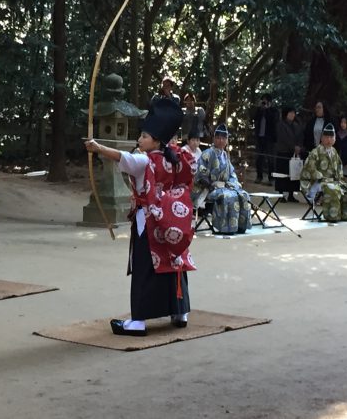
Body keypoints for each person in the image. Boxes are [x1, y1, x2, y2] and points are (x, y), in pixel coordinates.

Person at [84, 98, 196, 336]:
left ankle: (138, 321)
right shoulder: (174, 158)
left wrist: (98, 147)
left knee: (145, 267)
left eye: (144, 136)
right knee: (173, 261)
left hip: (149, 220)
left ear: (156, 140)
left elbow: (122, 158)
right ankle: (180, 312)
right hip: (171, 220)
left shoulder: (145, 160)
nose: (140, 139)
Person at [194, 124, 252, 234]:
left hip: (224, 187)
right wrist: (211, 185)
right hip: (208, 188)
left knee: (243, 194)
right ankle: (225, 228)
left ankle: (240, 226)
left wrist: (232, 184)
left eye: (223, 138)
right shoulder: (207, 154)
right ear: (214, 139)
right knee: (227, 196)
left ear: (226, 140)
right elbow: (200, 174)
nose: (221, 141)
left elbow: (231, 174)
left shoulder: (225, 155)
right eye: (218, 138)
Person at [300, 123, 347, 222]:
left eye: (331, 137)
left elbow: (339, 168)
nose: (329, 140)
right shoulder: (315, 152)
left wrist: (339, 179)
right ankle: (332, 216)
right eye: (326, 137)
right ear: (322, 138)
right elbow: (310, 169)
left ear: (335, 139)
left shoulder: (334, 152)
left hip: (331, 182)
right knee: (332, 188)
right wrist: (324, 178)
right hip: (316, 182)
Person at [274, 106, 303, 202]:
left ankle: (291, 194)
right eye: (290, 113)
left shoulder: (296, 125)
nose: (292, 115)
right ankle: (281, 195)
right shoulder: (280, 125)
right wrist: (293, 147)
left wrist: (299, 146)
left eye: (293, 113)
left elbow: (300, 137)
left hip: (293, 153)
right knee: (282, 174)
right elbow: (284, 138)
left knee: (293, 175)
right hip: (283, 151)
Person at [252, 93, 278, 184]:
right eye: (263, 101)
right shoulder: (259, 110)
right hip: (260, 137)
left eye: (266, 101)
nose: (264, 103)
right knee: (259, 158)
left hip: (270, 139)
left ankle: (271, 178)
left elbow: (273, 121)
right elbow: (254, 118)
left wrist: (267, 110)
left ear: (270, 102)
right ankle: (259, 176)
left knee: (271, 159)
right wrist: (260, 109)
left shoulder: (274, 111)